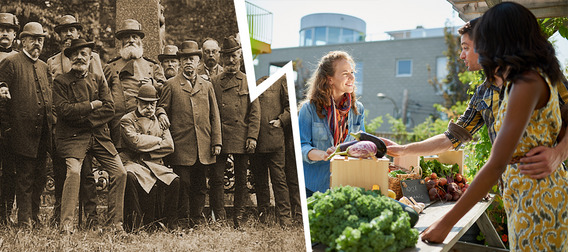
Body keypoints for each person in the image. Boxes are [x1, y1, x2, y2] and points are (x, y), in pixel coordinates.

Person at [421, 3, 568, 250]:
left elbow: (497, 162)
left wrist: (446, 224)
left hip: (538, 196)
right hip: (526, 193)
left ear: (501, 39)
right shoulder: (521, 80)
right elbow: (456, 137)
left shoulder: (526, 81)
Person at [383, 15, 568, 180]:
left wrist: (558, 154)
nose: (461, 55)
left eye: (466, 47)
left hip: (551, 183)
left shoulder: (539, 78)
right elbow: (452, 137)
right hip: (511, 187)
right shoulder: (482, 93)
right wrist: (403, 149)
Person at [52, 38, 126, 233]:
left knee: (120, 172)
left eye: (83, 53)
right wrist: (92, 105)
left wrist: (85, 118)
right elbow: (64, 111)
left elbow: (110, 108)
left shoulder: (98, 79)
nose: (79, 57)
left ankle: (115, 224)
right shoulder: (61, 81)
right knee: (74, 172)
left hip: (99, 136)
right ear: (69, 58)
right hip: (72, 137)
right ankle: (66, 225)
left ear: (90, 57)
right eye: (74, 54)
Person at [158, 40, 222, 226]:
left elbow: (214, 115)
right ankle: (182, 218)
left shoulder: (206, 85)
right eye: (185, 58)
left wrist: (216, 141)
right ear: (180, 62)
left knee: (200, 185)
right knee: (183, 184)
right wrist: (161, 114)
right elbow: (161, 107)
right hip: (181, 146)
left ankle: (196, 217)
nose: (188, 62)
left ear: (197, 61)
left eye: (192, 58)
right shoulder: (171, 85)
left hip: (203, 145)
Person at [46, 14, 101, 226]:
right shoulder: (51, 62)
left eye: (72, 29)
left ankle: (91, 217)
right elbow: (51, 97)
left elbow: (97, 90)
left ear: (78, 32)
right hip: (60, 126)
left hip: (86, 125)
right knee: (62, 173)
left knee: (86, 174)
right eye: (63, 30)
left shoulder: (92, 59)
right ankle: (59, 215)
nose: (68, 34)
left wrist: (91, 120)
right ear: (58, 35)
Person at [0, 22, 54, 228]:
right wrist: (7, 129)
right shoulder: (11, 62)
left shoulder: (44, 67)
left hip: (42, 133)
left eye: (40, 40)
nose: (37, 44)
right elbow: (2, 101)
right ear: (23, 41)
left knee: (39, 176)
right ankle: (24, 221)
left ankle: (35, 216)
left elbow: (50, 99)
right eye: (33, 40)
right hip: (20, 133)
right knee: (24, 178)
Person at [298, 51, 365, 197]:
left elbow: (362, 142)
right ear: (330, 79)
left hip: (346, 184)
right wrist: (324, 155)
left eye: (352, 72)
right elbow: (301, 146)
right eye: (345, 73)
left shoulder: (357, 109)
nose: (352, 77)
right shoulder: (309, 109)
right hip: (312, 186)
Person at [211, 35, 260, 228]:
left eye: (234, 56)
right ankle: (219, 216)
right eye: (227, 57)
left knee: (241, 180)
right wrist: (215, 138)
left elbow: (255, 112)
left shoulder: (249, 82)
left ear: (240, 56)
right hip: (220, 137)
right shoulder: (214, 82)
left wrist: (252, 137)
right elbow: (211, 112)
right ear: (222, 59)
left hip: (241, 136)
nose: (231, 61)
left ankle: (238, 216)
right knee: (216, 179)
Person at [120, 84, 179, 231]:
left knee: (175, 180)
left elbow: (170, 146)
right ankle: (136, 226)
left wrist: (146, 145)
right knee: (130, 177)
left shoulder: (160, 120)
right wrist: (159, 141)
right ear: (137, 102)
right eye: (145, 103)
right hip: (134, 162)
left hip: (155, 164)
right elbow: (135, 143)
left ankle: (168, 224)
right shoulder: (127, 120)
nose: (148, 107)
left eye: (152, 103)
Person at [104, 19, 168, 151]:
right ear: (121, 41)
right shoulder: (111, 66)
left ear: (140, 40)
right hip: (118, 124)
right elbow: (102, 92)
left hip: (145, 126)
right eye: (126, 37)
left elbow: (165, 90)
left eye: (134, 36)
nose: (131, 40)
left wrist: (153, 84)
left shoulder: (152, 66)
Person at [251, 75, 292, 227]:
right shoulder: (249, 80)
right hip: (254, 141)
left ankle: (285, 219)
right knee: (260, 181)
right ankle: (264, 217)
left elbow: (290, 106)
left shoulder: (279, 79)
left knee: (279, 180)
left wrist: (281, 121)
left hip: (274, 139)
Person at [0, 12, 18, 225]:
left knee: (11, 170)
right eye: (1, 29)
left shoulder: (18, 59)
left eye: (8, 30)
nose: (4, 33)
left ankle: (6, 214)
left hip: (12, 123)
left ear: (15, 34)